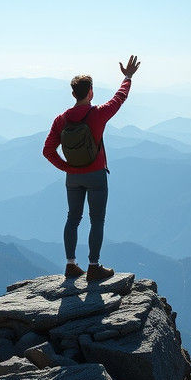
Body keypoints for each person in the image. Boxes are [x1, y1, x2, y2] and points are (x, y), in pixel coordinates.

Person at [43, 55, 140, 282]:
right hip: (96, 175)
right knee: (97, 220)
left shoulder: (61, 120)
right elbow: (119, 98)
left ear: (73, 93)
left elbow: (47, 150)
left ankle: (70, 264)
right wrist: (127, 77)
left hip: (73, 178)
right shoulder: (98, 114)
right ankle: (94, 267)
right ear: (91, 92)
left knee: (73, 218)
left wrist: (67, 167)